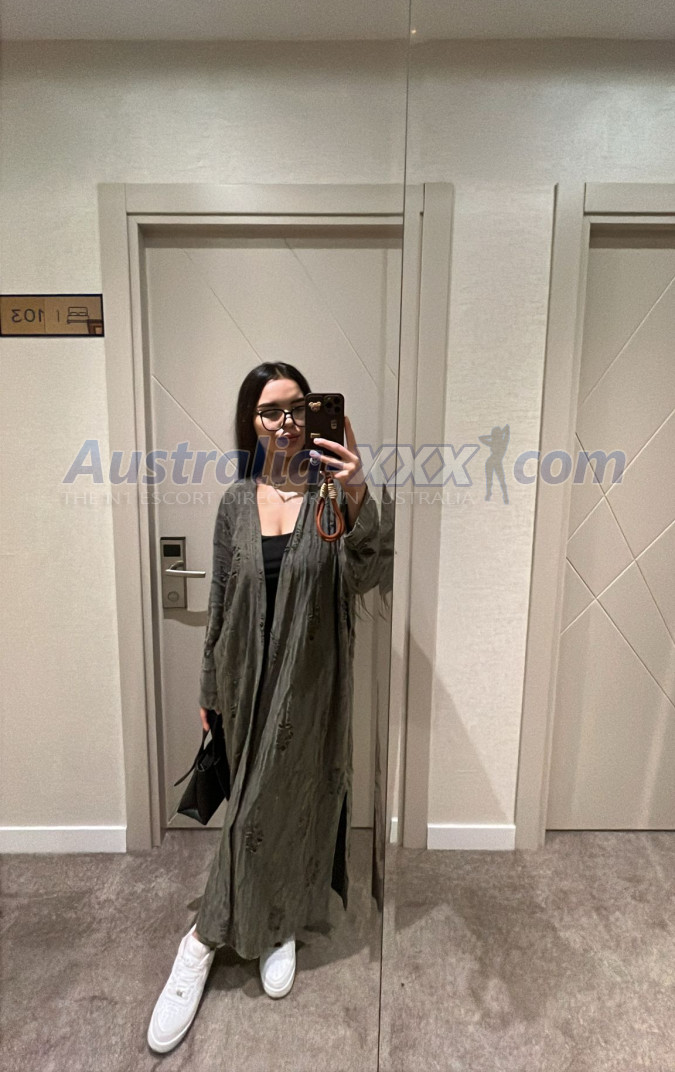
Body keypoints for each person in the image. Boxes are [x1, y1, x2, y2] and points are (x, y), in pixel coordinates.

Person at [147, 361, 384, 1053]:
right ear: (251, 423)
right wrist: (208, 689)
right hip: (245, 681)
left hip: (312, 684)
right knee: (255, 805)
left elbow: (370, 571)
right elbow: (222, 600)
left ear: (315, 415)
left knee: (292, 800)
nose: (285, 422)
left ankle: (213, 937)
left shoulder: (331, 496)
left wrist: (357, 489)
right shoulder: (234, 503)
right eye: (269, 411)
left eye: (296, 408)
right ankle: (232, 931)